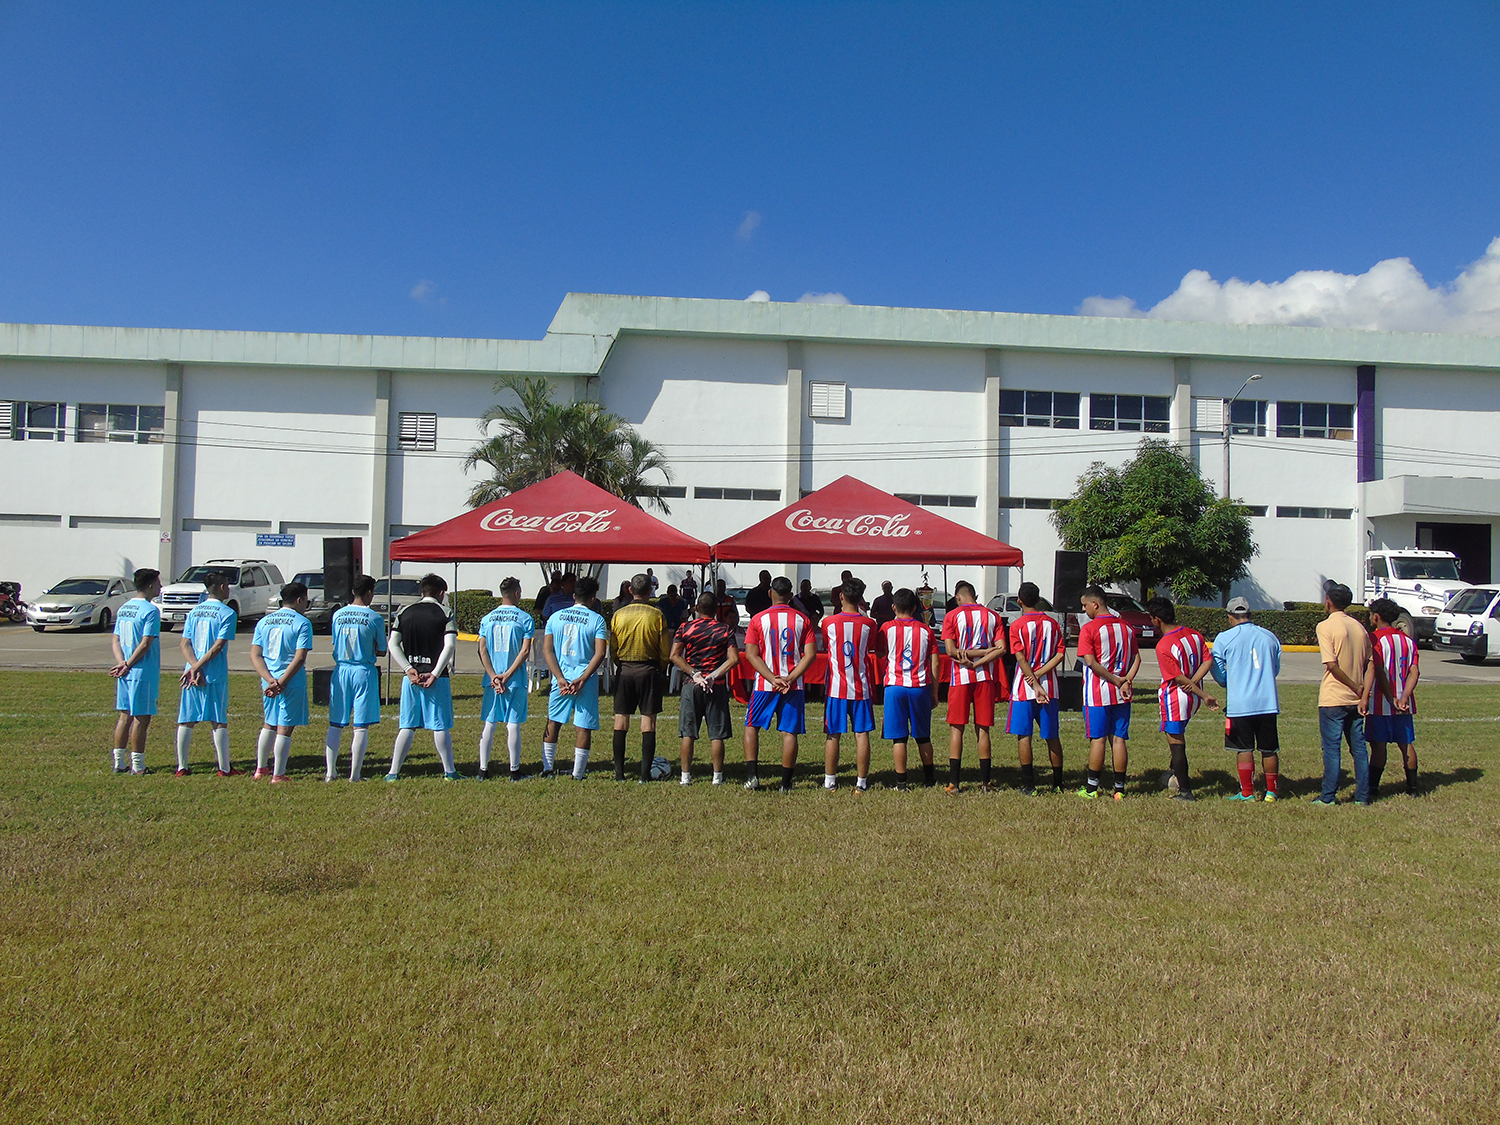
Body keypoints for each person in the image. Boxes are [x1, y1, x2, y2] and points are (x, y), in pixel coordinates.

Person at [742, 577, 817, 791]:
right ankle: (785, 783)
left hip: (765, 684)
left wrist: (771, 678)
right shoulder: (803, 619)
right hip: (793, 685)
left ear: (770, 593)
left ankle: (752, 777)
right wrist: (790, 678)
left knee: (751, 727)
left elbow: (751, 654)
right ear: (791, 595)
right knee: (789, 732)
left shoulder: (758, 619)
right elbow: (810, 655)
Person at [386, 573, 460, 781]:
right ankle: (449, 772)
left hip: (410, 679)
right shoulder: (445, 612)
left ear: (422, 591)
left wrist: (408, 668)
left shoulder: (404, 612)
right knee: (440, 725)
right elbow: (450, 645)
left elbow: (393, 644)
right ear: (441, 592)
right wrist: (436, 673)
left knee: (407, 726)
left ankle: (393, 772)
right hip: (437, 679)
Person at [1210, 596, 1284, 802]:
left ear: (1230, 616)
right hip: (1267, 702)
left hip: (1240, 704)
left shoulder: (1224, 638)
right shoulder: (1269, 636)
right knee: (1269, 749)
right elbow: (1275, 668)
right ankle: (1271, 792)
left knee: (1244, 748)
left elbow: (1220, 673)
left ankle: (1247, 792)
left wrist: (1227, 681)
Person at [1145, 598, 1218, 801]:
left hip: (1177, 699)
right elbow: (1208, 661)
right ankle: (1173, 772)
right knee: (1177, 741)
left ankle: (1185, 791)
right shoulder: (1194, 634)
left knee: (1176, 743)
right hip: (1192, 697)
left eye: (1151, 618)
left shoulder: (1164, 645)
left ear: (1157, 619)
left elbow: (1177, 677)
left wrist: (1203, 695)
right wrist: (1196, 684)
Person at [1076, 584, 1140, 800]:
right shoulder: (1127, 627)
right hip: (1122, 694)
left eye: (1085, 605)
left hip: (1098, 693)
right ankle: (1119, 789)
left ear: (1095, 603)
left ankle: (1092, 788)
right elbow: (1137, 658)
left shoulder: (1090, 629)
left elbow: (1091, 662)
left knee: (1098, 739)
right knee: (1119, 739)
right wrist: (1126, 681)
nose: (1085, 610)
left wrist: (1114, 680)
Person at [941, 580, 1006, 793]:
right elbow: (1001, 649)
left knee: (956, 728)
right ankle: (985, 782)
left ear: (958, 597)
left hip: (960, 677)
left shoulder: (952, 616)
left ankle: (954, 782)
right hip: (985, 676)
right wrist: (983, 654)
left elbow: (951, 651)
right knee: (983, 729)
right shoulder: (992, 616)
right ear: (975, 595)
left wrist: (968, 655)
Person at [542, 576, 609, 779]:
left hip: (560, 680)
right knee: (583, 725)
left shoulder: (556, 617)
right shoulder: (596, 619)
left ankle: (547, 768)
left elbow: (547, 650)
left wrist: (559, 677)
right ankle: (577, 773)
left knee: (553, 722)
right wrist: (583, 678)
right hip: (584, 681)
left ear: (574, 596)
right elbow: (600, 653)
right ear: (593, 598)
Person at [323, 574, 386, 782]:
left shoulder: (338, 615)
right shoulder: (374, 617)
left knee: (336, 723)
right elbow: (382, 650)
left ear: (352, 591)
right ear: (369, 593)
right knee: (360, 724)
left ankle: (330, 771)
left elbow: (335, 642)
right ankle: (355, 775)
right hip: (363, 670)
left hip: (341, 670)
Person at [1314, 582, 1373, 806]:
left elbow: (1331, 664)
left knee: (1331, 748)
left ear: (1328, 601)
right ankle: (1362, 796)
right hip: (1356, 701)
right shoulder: (1359, 627)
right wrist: (1363, 691)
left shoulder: (1325, 626)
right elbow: (1370, 664)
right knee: (1358, 748)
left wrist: (1354, 686)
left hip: (1334, 697)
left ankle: (1328, 796)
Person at [671, 593, 739, 784]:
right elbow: (734, 659)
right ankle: (717, 776)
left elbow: (674, 656)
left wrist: (694, 673)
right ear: (716, 610)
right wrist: (712, 676)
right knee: (717, 734)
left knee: (688, 732)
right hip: (715, 685)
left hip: (691, 685)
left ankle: (685, 776)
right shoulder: (725, 630)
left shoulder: (685, 627)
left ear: (697, 608)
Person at [610, 573, 672, 782]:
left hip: (625, 670)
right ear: (650, 591)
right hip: (649, 671)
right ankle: (645, 775)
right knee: (649, 723)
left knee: (621, 721)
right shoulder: (657, 615)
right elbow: (665, 651)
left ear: (630, 590)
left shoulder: (618, 615)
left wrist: (621, 664)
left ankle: (619, 773)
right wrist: (660, 668)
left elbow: (613, 648)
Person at [250, 582, 314, 783]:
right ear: (299, 600)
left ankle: (261, 768)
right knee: (285, 727)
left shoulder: (265, 621)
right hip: (290, 679)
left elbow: (255, 654)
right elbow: (299, 657)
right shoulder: (302, 622)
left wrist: (270, 680)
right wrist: (282, 681)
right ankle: (278, 773)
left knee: (269, 723)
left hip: (268, 679)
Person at [175, 571, 238, 777]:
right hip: (213, 673)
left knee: (187, 719)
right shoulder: (227, 613)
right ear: (221, 587)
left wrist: (193, 666)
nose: (229, 589)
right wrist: (199, 666)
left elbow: (185, 643)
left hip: (191, 674)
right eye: (227, 585)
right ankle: (224, 768)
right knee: (218, 719)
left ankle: (182, 766)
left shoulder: (195, 611)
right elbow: (218, 645)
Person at [1007, 582, 1066, 794]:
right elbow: (1060, 654)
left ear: (1019, 601)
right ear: (1039, 599)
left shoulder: (1017, 626)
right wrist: (1041, 673)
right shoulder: (1053, 624)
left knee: (1024, 736)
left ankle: (1029, 784)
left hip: (1023, 687)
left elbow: (1020, 657)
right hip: (1049, 686)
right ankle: (1058, 784)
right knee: (1052, 736)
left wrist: (1032, 677)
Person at [821, 578, 878, 792]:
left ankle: (830, 781)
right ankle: (861, 783)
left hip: (836, 687)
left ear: (841, 596)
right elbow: (870, 648)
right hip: (861, 687)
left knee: (833, 734)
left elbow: (827, 645)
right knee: (862, 734)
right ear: (862, 598)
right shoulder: (869, 624)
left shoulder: (828, 623)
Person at [880, 588, 940, 789]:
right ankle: (929, 778)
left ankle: (901, 782)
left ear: (893, 607)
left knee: (899, 737)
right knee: (923, 735)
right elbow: (935, 663)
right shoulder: (926, 630)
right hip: (919, 687)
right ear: (915, 608)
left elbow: (880, 653)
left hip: (895, 687)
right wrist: (934, 691)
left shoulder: (886, 628)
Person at [476, 576, 535, 780]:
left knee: (490, 724)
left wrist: (493, 676)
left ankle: (483, 770)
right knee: (513, 724)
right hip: (515, 679)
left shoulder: (487, 618)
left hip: (491, 681)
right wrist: (508, 675)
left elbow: (482, 649)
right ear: (517, 593)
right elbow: (525, 650)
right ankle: (514, 770)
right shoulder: (525, 618)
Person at [109, 568, 162, 776]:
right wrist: (129, 664)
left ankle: (119, 763)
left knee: (125, 716)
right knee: (141, 718)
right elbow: (146, 642)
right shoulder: (150, 610)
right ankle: (138, 765)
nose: (160, 587)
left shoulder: (124, 608)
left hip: (125, 670)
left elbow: (116, 639)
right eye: (158, 583)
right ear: (150, 586)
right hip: (141, 670)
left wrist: (121, 662)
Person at [1366, 597, 1420, 799]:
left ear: (1376, 616)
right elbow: (1414, 672)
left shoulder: (1375, 639)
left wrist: (1389, 697)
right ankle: (1413, 788)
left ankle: (1372, 789)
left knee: (1378, 746)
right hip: (1404, 703)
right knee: (1406, 744)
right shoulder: (1408, 641)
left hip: (1381, 703)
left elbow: (1377, 669)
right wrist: (1404, 696)